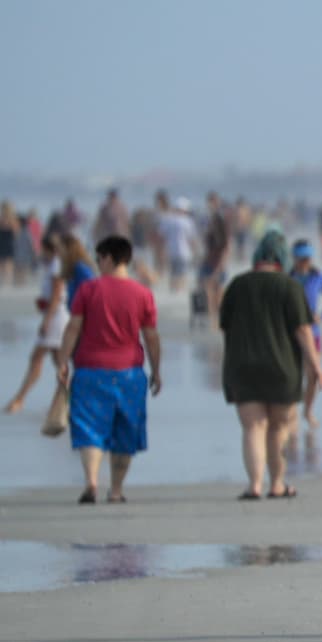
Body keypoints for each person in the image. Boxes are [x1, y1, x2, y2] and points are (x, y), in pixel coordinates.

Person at [220, 231, 322, 500]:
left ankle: (254, 485)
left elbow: (225, 328)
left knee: (253, 428)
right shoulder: (290, 287)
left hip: (243, 368)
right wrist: (315, 366)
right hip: (282, 369)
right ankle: (277, 483)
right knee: (278, 428)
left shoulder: (237, 286)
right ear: (281, 258)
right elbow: (303, 331)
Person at [55, 236, 161, 504]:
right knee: (125, 434)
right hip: (130, 373)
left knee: (89, 428)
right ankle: (115, 491)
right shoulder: (142, 293)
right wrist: (157, 370)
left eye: (100, 257)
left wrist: (63, 361)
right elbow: (151, 337)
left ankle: (91, 482)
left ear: (110, 259)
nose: (98, 263)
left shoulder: (88, 290)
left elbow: (73, 328)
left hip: (90, 370)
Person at [5, 235, 68, 414]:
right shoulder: (55, 265)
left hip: (55, 318)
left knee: (38, 358)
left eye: (44, 249)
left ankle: (20, 399)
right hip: (54, 315)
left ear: (50, 249)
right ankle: (65, 400)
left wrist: (46, 320)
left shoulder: (56, 265)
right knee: (58, 361)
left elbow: (57, 294)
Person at [289, 240, 322, 428]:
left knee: (313, 375)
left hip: (313, 332)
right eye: (300, 259)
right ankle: (291, 411)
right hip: (290, 333)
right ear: (294, 258)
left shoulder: (318, 277)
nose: (304, 262)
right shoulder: (288, 277)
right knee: (293, 375)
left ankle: (308, 411)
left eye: (307, 259)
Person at [199, 193, 232, 318]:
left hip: (216, 260)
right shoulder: (212, 220)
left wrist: (221, 263)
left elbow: (225, 246)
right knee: (213, 288)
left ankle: (215, 316)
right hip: (212, 260)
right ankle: (214, 316)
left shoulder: (219, 221)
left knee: (213, 288)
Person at [158, 197, 199, 294]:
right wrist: (195, 251)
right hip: (184, 252)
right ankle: (179, 290)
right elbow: (192, 238)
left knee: (173, 272)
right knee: (182, 272)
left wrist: (161, 251)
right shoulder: (187, 221)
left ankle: (173, 289)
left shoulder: (168, 220)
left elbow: (161, 236)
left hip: (171, 251)